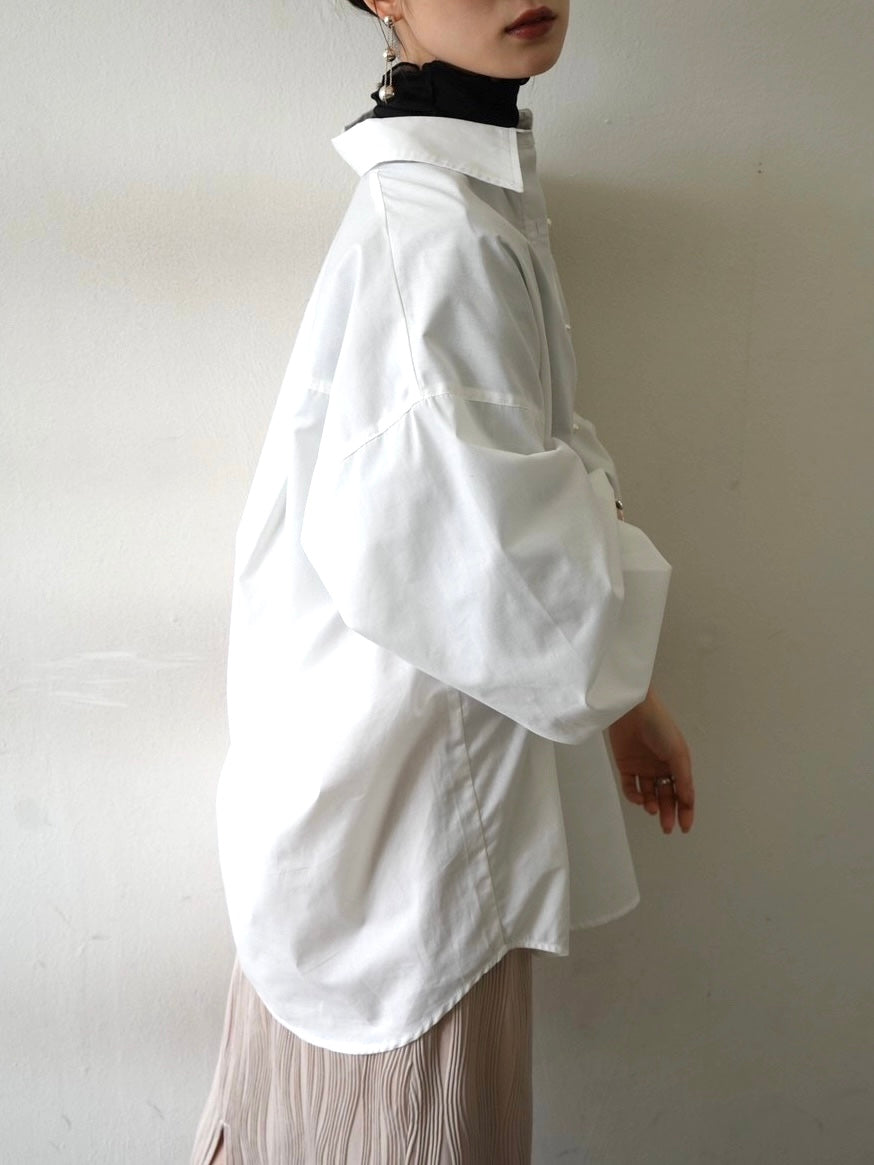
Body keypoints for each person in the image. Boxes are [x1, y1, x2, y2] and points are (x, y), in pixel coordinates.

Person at [191, 2, 695, 1162]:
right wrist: (617, 681)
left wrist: (627, 696)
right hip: (406, 824)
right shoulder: (437, 234)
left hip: (411, 796)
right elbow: (493, 564)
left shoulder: (467, 196)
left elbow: (514, 491)